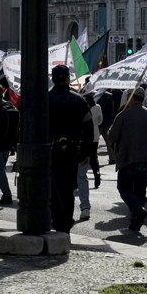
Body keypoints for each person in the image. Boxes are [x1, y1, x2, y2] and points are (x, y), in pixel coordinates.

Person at [109, 86, 147, 232]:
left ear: (131, 98)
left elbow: (112, 136)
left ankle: (136, 209)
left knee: (124, 187)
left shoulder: (123, 115)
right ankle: (136, 221)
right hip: (146, 159)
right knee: (140, 190)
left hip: (128, 158)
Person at [46, 66, 92, 232]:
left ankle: (56, 219)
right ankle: (66, 221)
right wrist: (86, 153)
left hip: (50, 150)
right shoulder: (79, 100)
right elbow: (88, 128)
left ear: (52, 79)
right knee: (69, 189)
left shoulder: (46, 99)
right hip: (72, 151)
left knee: (53, 187)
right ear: (67, 78)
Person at [76, 92, 102, 221]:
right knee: (82, 177)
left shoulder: (52, 99)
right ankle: (85, 207)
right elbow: (90, 129)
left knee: (63, 180)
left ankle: (63, 210)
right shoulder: (87, 107)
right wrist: (87, 153)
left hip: (62, 149)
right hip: (83, 146)